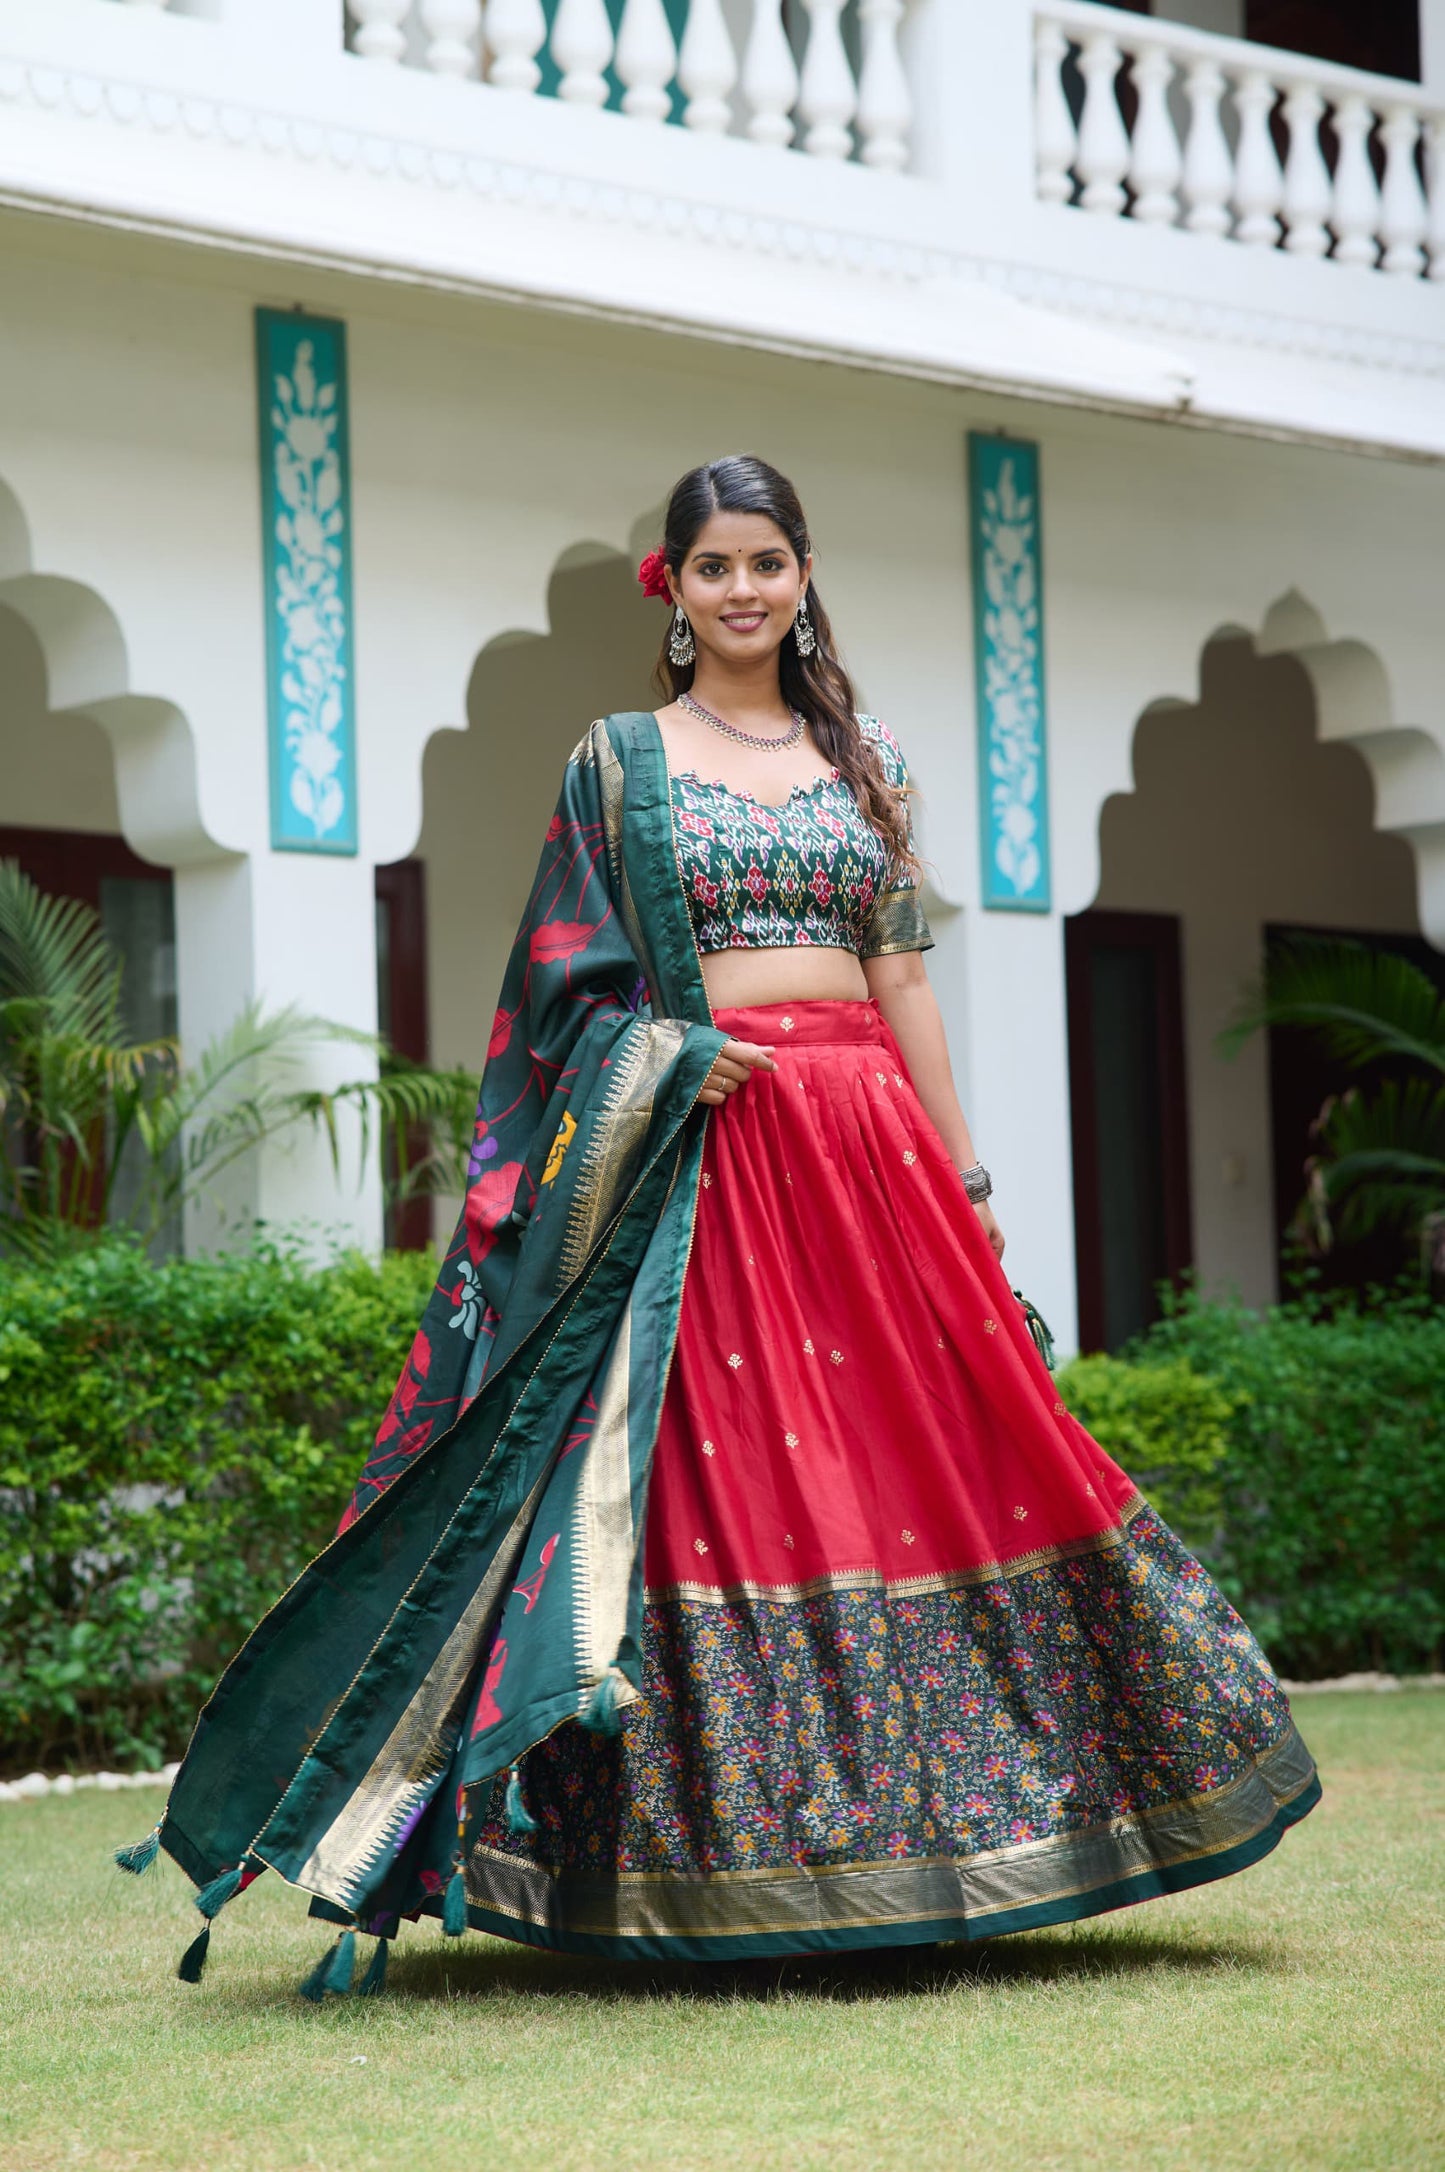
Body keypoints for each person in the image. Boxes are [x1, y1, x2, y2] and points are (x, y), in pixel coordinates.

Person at [120, 456, 1318, 1990]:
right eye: (712, 568)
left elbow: (900, 985)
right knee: (725, 1484)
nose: (742, 589)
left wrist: (966, 1185)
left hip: (866, 1151)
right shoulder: (617, 766)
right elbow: (557, 984)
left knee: (933, 1461)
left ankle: (960, 1830)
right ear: (671, 591)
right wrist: (669, 1059)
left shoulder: (865, 756)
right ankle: (716, 1864)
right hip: (704, 1156)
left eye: (765, 562)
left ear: (801, 575)